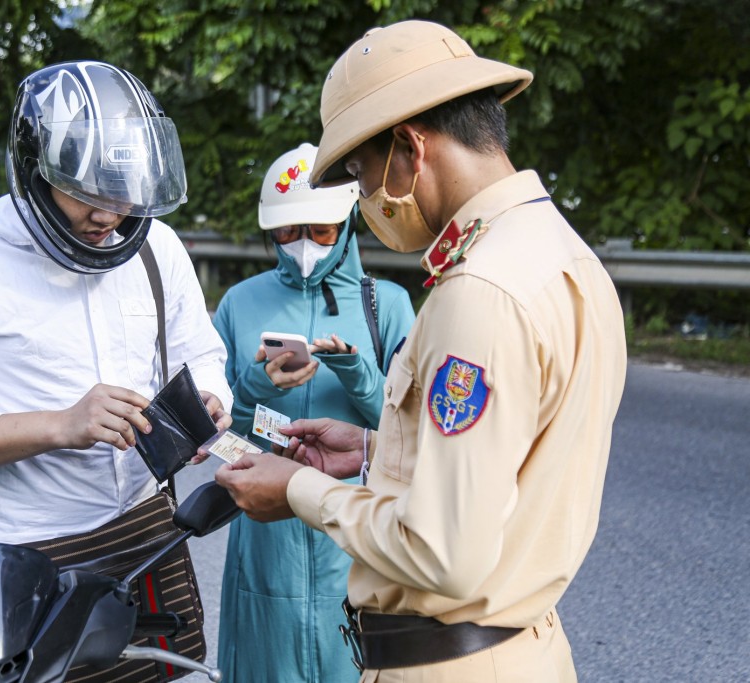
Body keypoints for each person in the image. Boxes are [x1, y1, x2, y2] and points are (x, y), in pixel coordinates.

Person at [215, 20, 627, 682]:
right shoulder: (564, 257)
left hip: (448, 662)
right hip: (523, 648)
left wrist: (300, 488)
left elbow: (444, 552)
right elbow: (511, 464)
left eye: (360, 170)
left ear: (409, 146)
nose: (367, 197)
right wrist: (375, 451)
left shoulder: (480, 292)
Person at [0, 60, 232, 546]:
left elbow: (201, 353)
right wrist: (62, 425)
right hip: (27, 540)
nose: (108, 215)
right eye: (87, 192)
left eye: (123, 192)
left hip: (149, 517)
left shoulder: (159, 247)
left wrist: (212, 400)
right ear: (34, 172)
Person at [212, 143, 415, 682]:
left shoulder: (387, 305)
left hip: (352, 523)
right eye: (287, 232)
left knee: (355, 662)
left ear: (348, 224)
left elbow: (405, 430)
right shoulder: (239, 303)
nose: (304, 245)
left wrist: (356, 372)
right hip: (264, 529)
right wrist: (254, 386)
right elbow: (219, 430)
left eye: (321, 231)